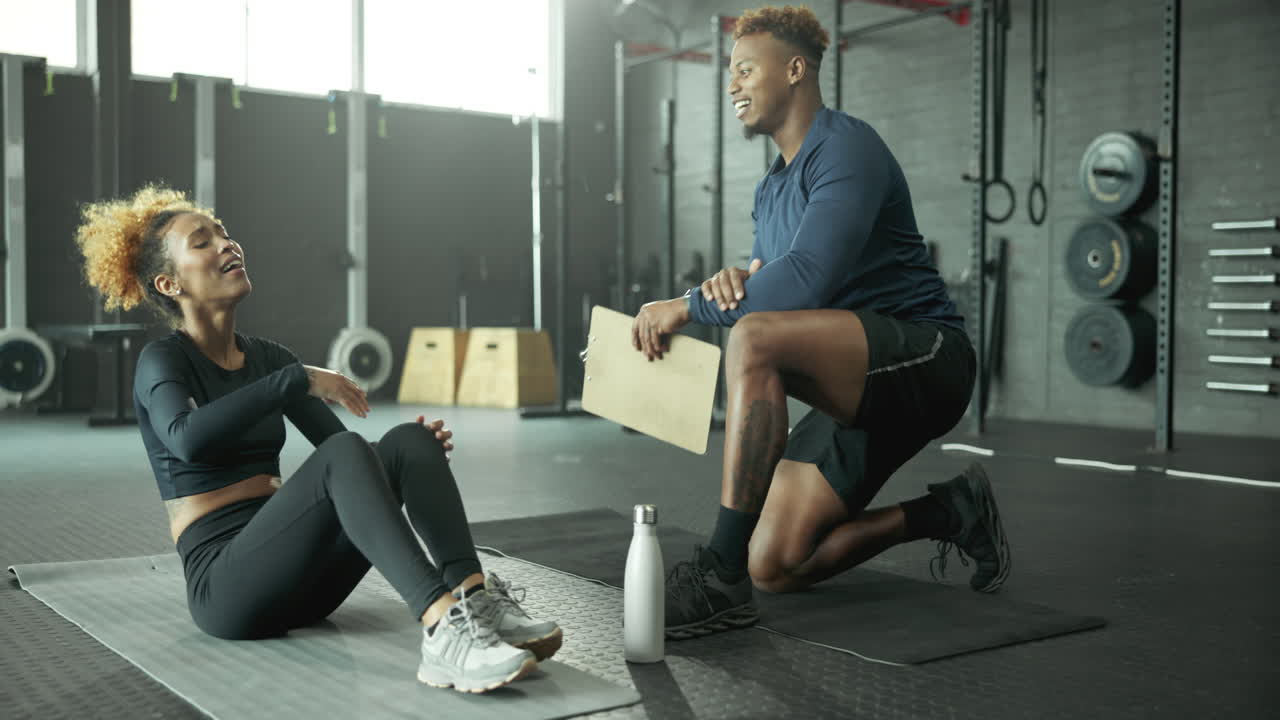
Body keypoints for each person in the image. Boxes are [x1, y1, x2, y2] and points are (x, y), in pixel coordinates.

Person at [73, 186, 562, 693]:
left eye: (223, 232)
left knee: (405, 442)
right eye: (203, 241)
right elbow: (187, 440)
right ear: (169, 283)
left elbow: (354, 462)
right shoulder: (164, 361)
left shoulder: (268, 358)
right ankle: (442, 630)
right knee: (348, 454)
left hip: (304, 579)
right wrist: (294, 379)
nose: (226, 243)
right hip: (227, 590)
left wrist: (413, 460)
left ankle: (473, 600)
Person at [630, 6, 1011, 640]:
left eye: (746, 69)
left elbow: (805, 279)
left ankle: (720, 579)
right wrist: (737, 281)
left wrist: (690, 304)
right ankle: (949, 511)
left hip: (928, 359)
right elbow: (774, 290)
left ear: (796, 69)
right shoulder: (768, 191)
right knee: (777, 563)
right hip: (855, 387)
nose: (732, 85)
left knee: (750, 339)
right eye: (731, 73)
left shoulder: (846, 147)